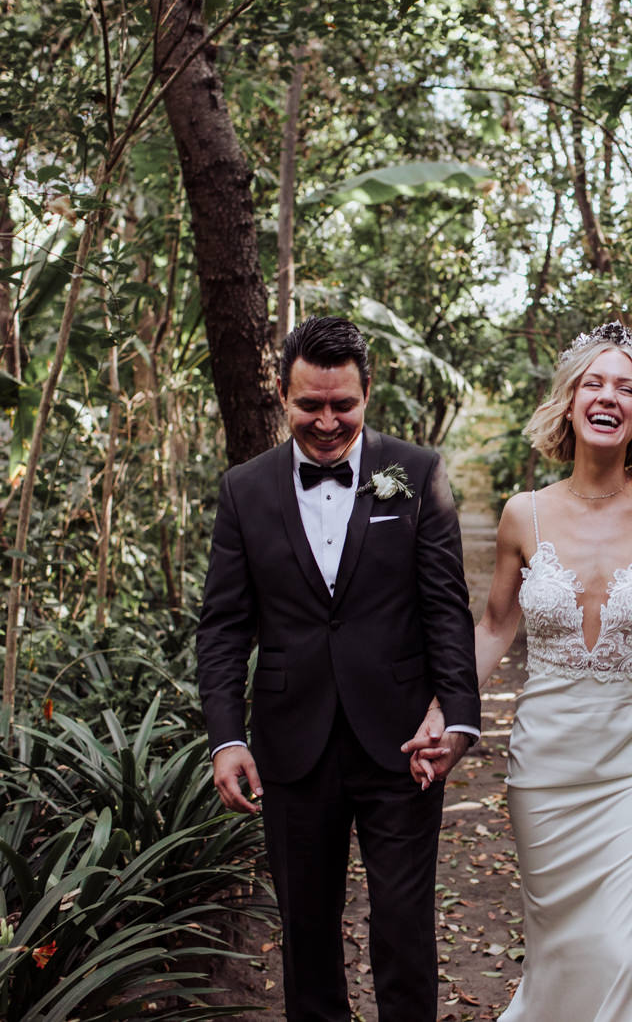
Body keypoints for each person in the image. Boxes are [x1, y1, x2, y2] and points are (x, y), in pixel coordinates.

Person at [405, 321, 632, 1021]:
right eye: (593, 382)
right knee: (570, 955)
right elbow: (494, 626)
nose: (608, 395)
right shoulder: (526, 514)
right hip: (547, 765)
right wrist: (446, 710)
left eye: (625, 386)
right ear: (570, 402)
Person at [197, 315, 481, 1022]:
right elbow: (225, 626)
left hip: (402, 740)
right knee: (307, 935)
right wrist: (227, 737)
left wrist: (458, 716)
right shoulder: (244, 489)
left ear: (367, 393)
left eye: (342, 405)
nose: (326, 422)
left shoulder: (417, 473)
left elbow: (446, 606)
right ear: (282, 393)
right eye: (309, 404)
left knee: (403, 928)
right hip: (292, 745)